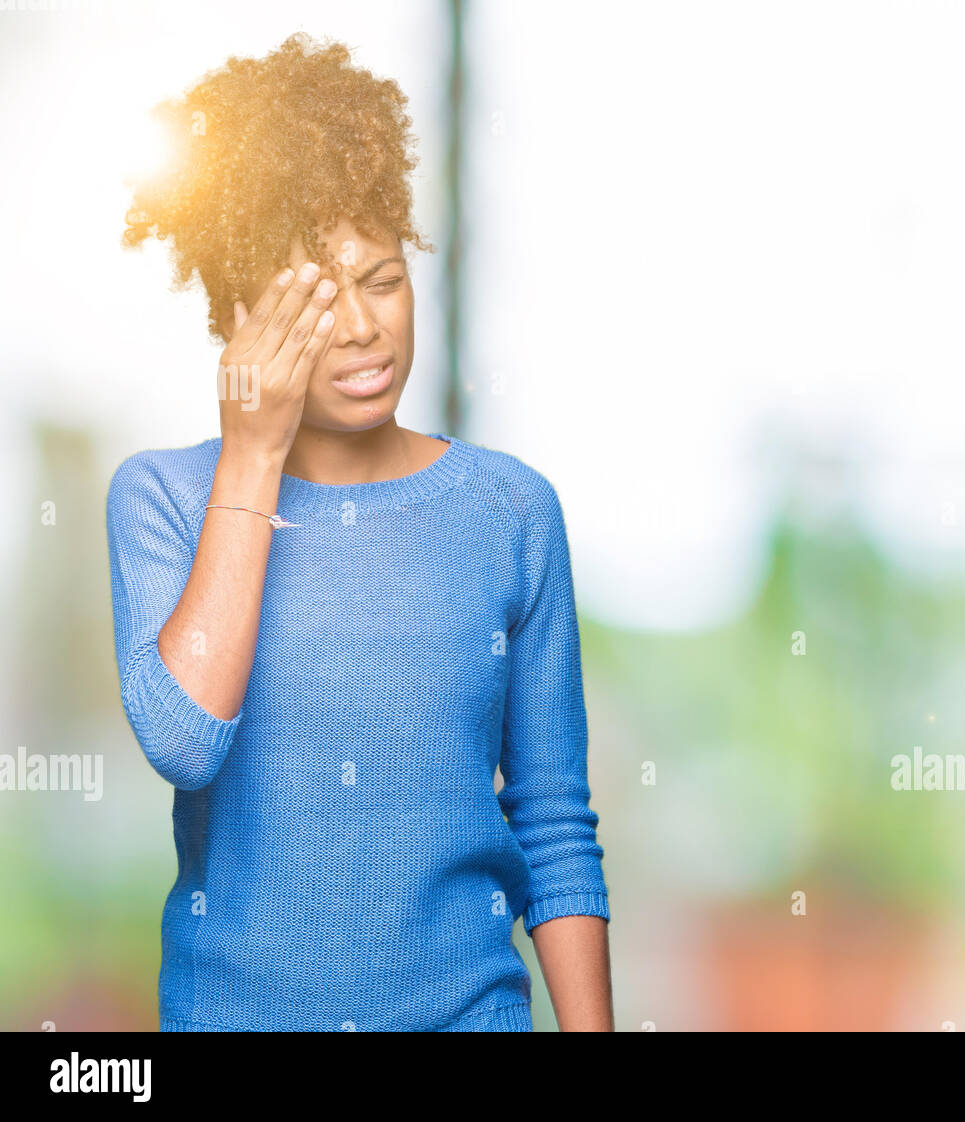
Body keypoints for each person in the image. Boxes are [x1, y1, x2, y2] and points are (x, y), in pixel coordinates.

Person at [107, 32, 613, 1031]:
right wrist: (252, 453)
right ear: (236, 315)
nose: (360, 328)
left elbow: (552, 817)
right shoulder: (161, 496)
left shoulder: (511, 512)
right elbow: (183, 740)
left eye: (382, 280)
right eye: (311, 300)